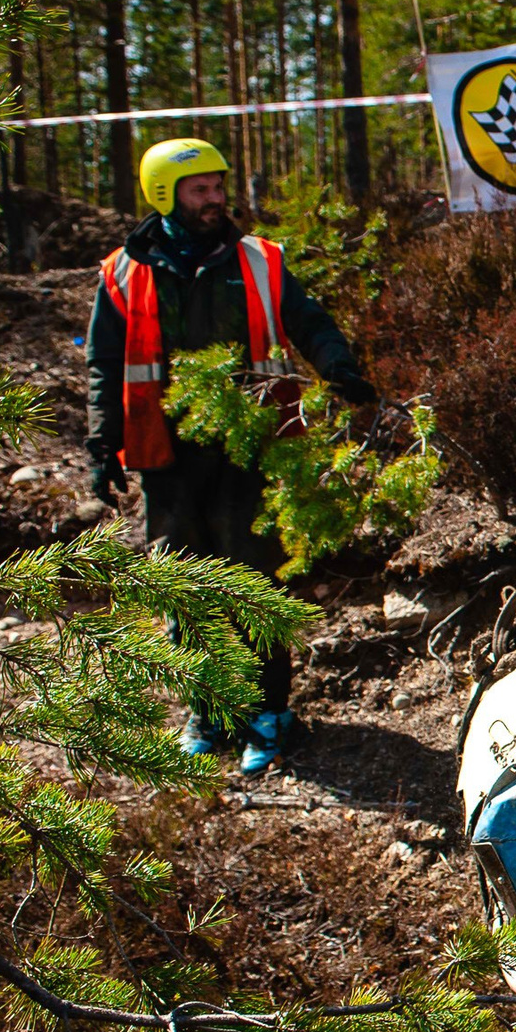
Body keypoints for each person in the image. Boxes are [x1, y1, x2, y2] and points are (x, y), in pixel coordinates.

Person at [86, 138, 376, 775]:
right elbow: (105, 366)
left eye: (219, 187)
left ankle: (270, 712)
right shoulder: (123, 273)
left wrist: (340, 367)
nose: (216, 199)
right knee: (183, 585)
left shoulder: (259, 260)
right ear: (165, 195)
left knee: (253, 582)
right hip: (168, 458)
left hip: (252, 450)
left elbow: (310, 322)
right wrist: (101, 444)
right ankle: (207, 712)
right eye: (201, 190)